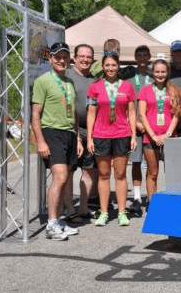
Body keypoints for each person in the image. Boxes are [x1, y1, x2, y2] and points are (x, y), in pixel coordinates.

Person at [32, 42, 82, 240]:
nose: (61, 60)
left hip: (69, 133)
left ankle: (59, 219)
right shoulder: (42, 81)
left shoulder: (69, 83)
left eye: (65, 57)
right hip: (52, 132)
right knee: (59, 177)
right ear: (50, 59)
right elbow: (35, 115)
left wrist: (77, 138)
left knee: (66, 178)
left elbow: (74, 115)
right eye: (57, 57)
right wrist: (41, 142)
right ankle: (51, 223)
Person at [86, 51, 137, 227]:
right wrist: (90, 139)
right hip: (101, 135)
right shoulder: (95, 87)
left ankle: (122, 213)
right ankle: (104, 212)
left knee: (121, 175)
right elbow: (91, 114)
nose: (110, 68)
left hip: (122, 134)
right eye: (107, 65)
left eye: (113, 65)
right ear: (103, 66)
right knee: (103, 175)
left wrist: (133, 135)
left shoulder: (127, 87)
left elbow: (131, 112)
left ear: (118, 66)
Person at [138, 59, 181, 201]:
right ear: (152, 73)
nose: (160, 74)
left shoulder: (175, 89)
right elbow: (142, 115)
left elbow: (176, 114)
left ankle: (173, 202)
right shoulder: (145, 90)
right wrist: (153, 135)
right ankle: (153, 204)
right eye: (157, 71)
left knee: (172, 173)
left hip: (170, 137)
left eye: (163, 71)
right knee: (153, 173)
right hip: (150, 138)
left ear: (167, 72)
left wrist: (167, 134)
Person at [64, 43, 97, 223]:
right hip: (70, 130)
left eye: (88, 57)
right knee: (69, 170)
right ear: (74, 58)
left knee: (88, 170)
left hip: (90, 131)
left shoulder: (95, 80)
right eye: (82, 56)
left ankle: (83, 208)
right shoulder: (67, 76)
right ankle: (69, 209)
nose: (85, 60)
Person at [127, 45, 152, 215]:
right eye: (139, 55)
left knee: (152, 164)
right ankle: (136, 197)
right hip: (134, 126)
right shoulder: (128, 77)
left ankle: (151, 198)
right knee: (136, 162)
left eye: (145, 55)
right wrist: (134, 123)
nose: (142, 58)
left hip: (151, 127)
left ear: (149, 57)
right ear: (135, 57)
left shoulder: (155, 75)